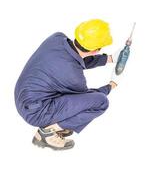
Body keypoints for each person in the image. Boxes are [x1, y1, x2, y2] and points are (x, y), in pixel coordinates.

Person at [14, 19, 121, 150]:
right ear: (95, 50)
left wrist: (109, 59)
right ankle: (48, 132)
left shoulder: (56, 38)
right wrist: (111, 86)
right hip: (36, 113)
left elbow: (74, 60)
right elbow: (87, 98)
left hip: (22, 97)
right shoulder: (75, 78)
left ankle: (57, 124)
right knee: (101, 102)